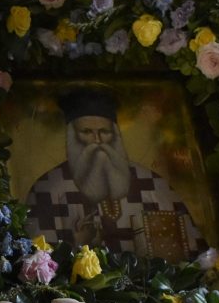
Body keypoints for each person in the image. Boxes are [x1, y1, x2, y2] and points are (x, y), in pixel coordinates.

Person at [26, 91, 205, 264]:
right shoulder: (49, 188)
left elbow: (192, 254)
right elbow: (37, 262)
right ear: (72, 136)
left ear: (116, 136)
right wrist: (77, 244)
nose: (97, 141)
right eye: (87, 132)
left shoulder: (151, 183)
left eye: (104, 131)